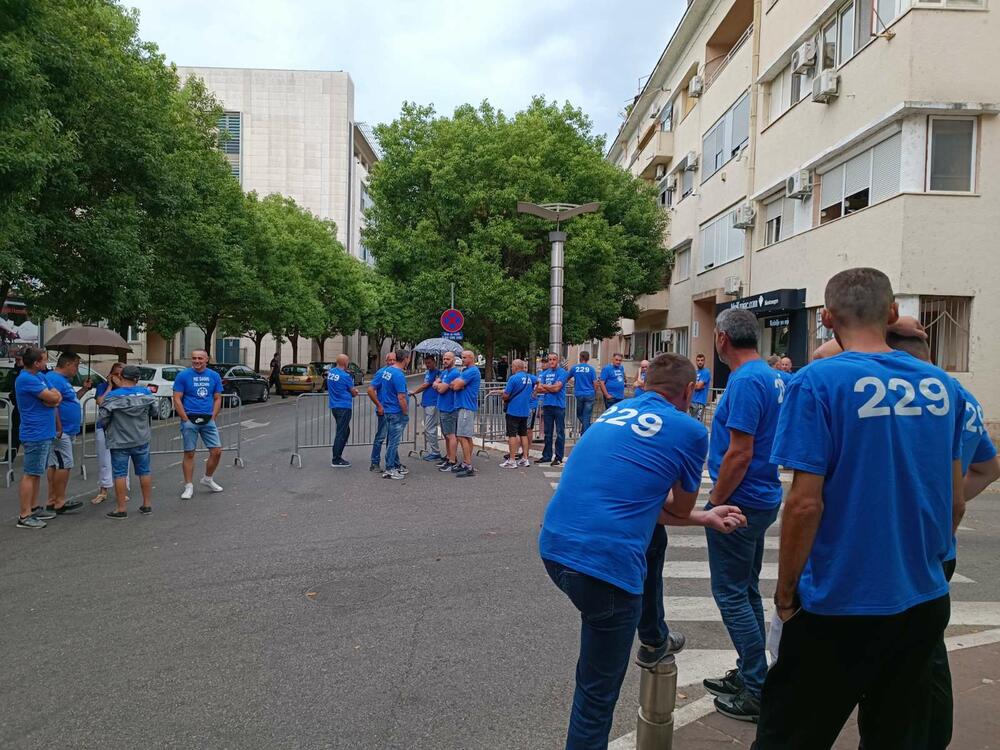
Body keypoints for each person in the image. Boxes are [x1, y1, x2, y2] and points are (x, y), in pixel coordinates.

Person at [755, 268, 965, 749]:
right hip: (922, 599)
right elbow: (953, 500)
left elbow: (805, 505)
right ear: (891, 313)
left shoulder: (816, 383)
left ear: (826, 319)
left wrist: (786, 595)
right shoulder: (941, 386)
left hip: (839, 602)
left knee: (790, 735)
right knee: (897, 735)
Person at [539, 353, 748, 749]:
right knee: (595, 700)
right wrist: (700, 514)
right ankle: (653, 639)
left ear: (643, 382)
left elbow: (642, 507)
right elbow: (678, 508)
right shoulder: (689, 429)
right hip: (605, 571)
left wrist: (704, 518)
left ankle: (654, 636)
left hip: (555, 549)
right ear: (689, 391)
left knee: (653, 540)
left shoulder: (613, 412)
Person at [880, 331, 999, 749]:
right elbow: (988, 468)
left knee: (891, 649)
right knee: (928, 645)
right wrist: (944, 506)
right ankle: (934, 733)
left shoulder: (895, 396)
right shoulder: (959, 397)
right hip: (938, 544)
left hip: (894, 543)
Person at [702, 308, 786, 723]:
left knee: (732, 594)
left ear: (722, 340)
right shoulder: (773, 376)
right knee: (745, 588)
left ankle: (756, 686)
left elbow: (740, 450)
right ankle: (752, 669)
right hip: (762, 495)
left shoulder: (748, 380)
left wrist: (716, 499)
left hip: (740, 498)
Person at [99, 364, 156, 519]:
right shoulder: (146, 394)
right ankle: (147, 504)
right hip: (141, 438)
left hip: (119, 440)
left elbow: (103, 417)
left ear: (121, 377)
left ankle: (121, 508)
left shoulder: (112, 396)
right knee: (144, 471)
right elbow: (154, 411)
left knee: (120, 474)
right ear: (137, 379)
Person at [14, 347, 61, 529]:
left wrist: (52, 399)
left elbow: (56, 396)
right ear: (36, 363)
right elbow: (51, 395)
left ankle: (33, 507)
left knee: (36, 473)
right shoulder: (26, 379)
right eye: (44, 360)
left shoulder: (39, 377)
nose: (46, 363)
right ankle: (25, 515)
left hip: (44, 432)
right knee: (31, 474)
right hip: (35, 432)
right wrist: (52, 399)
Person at [172, 349, 224, 499]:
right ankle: (188, 486)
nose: (196, 361)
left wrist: (213, 416)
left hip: (208, 420)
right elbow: (176, 398)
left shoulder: (214, 376)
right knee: (189, 453)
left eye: (200, 358)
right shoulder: (183, 375)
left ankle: (208, 479)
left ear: (207, 359)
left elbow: (217, 398)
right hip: (189, 419)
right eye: (194, 358)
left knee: (217, 451)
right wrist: (185, 418)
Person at [44, 352, 91, 515]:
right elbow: (52, 403)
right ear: (68, 364)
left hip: (66, 429)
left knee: (56, 463)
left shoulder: (63, 381)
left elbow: (72, 399)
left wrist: (84, 389)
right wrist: (58, 427)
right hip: (61, 430)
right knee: (64, 463)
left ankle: (53, 499)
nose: (77, 370)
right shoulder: (54, 379)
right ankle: (59, 501)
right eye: (76, 365)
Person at [92, 362, 126, 504]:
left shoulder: (127, 388)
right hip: (104, 426)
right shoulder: (103, 387)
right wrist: (110, 387)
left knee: (123, 460)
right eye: (115, 374)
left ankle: (123, 491)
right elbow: (100, 402)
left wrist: (121, 386)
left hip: (122, 428)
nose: (118, 377)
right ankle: (103, 489)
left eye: (121, 375)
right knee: (104, 460)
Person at [379, 349, 411, 480]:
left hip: (388, 409)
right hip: (396, 411)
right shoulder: (398, 374)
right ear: (405, 359)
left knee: (392, 441)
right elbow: (401, 397)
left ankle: (394, 465)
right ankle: (390, 468)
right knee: (394, 442)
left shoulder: (388, 371)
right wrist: (405, 412)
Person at [449, 350, 481, 478]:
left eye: (464, 358)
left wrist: (457, 384)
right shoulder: (465, 371)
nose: (462, 360)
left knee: (462, 436)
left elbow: (455, 386)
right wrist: (457, 384)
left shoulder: (471, 371)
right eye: (462, 358)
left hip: (466, 406)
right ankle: (467, 462)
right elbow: (454, 384)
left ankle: (468, 465)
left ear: (472, 358)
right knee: (466, 436)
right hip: (464, 406)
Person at [500, 359, 537, 469]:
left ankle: (512, 460)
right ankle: (525, 458)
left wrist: (503, 397)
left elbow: (506, 394)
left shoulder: (513, 378)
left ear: (515, 367)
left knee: (512, 435)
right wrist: (535, 391)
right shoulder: (529, 378)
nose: (511, 369)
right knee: (523, 434)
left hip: (513, 410)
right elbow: (538, 381)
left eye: (512, 367)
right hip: (525, 410)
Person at [536, 352, 569, 467]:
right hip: (547, 405)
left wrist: (546, 387)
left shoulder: (563, 372)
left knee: (560, 433)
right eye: (550, 359)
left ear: (558, 360)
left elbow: (557, 388)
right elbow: (539, 389)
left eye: (554, 359)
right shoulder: (545, 373)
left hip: (559, 406)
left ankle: (559, 457)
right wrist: (550, 387)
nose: (551, 361)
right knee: (547, 433)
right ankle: (547, 455)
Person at [366, 351, 396, 472]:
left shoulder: (396, 372)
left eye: (394, 360)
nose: (392, 362)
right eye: (390, 360)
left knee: (392, 438)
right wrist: (379, 405)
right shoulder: (381, 373)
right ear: (386, 361)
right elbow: (370, 390)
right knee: (380, 437)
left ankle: (392, 463)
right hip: (384, 411)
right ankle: (375, 463)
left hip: (393, 411)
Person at [327, 353, 359, 468]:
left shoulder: (331, 373)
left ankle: (338, 454)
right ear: (345, 363)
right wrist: (355, 392)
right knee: (341, 432)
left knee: (345, 431)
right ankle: (336, 458)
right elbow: (353, 392)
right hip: (344, 406)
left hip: (334, 406)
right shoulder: (346, 377)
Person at [411, 354, 442, 462]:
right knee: (429, 428)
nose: (427, 365)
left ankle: (435, 452)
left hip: (432, 403)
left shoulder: (437, 373)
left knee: (430, 428)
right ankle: (433, 451)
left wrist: (414, 391)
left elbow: (425, 385)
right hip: (427, 402)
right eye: (426, 363)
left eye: (429, 363)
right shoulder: (428, 372)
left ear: (434, 361)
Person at [434, 351, 461, 473]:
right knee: (446, 435)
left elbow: (441, 389)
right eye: (444, 359)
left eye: (448, 359)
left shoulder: (454, 373)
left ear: (453, 360)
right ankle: (449, 456)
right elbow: (436, 383)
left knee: (451, 435)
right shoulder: (445, 372)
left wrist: (438, 385)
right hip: (443, 407)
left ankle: (453, 460)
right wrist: (438, 384)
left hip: (450, 408)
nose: (445, 361)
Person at [567, 351, 598, 435]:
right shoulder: (591, 369)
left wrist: (573, 384)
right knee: (586, 415)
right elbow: (595, 383)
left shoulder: (575, 368)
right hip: (589, 394)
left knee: (579, 414)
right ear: (588, 358)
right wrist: (594, 392)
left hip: (579, 394)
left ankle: (586, 430)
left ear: (580, 357)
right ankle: (587, 430)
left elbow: (566, 378)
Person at [4, 347, 24, 462]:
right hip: (17, 408)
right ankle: (9, 457)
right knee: (15, 433)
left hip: (26, 409)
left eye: (19, 359)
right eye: (16, 359)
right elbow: (8, 385)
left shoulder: (29, 373)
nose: (17, 361)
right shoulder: (14, 372)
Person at [690, 353, 712, 421]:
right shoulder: (695, 372)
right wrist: (695, 385)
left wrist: (695, 385)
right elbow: (689, 384)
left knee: (698, 423)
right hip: (691, 401)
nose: (700, 362)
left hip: (700, 402)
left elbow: (698, 386)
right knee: (692, 423)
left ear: (704, 361)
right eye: (698, 360)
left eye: (702, 360)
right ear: (696, 361)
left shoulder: (706, 372)